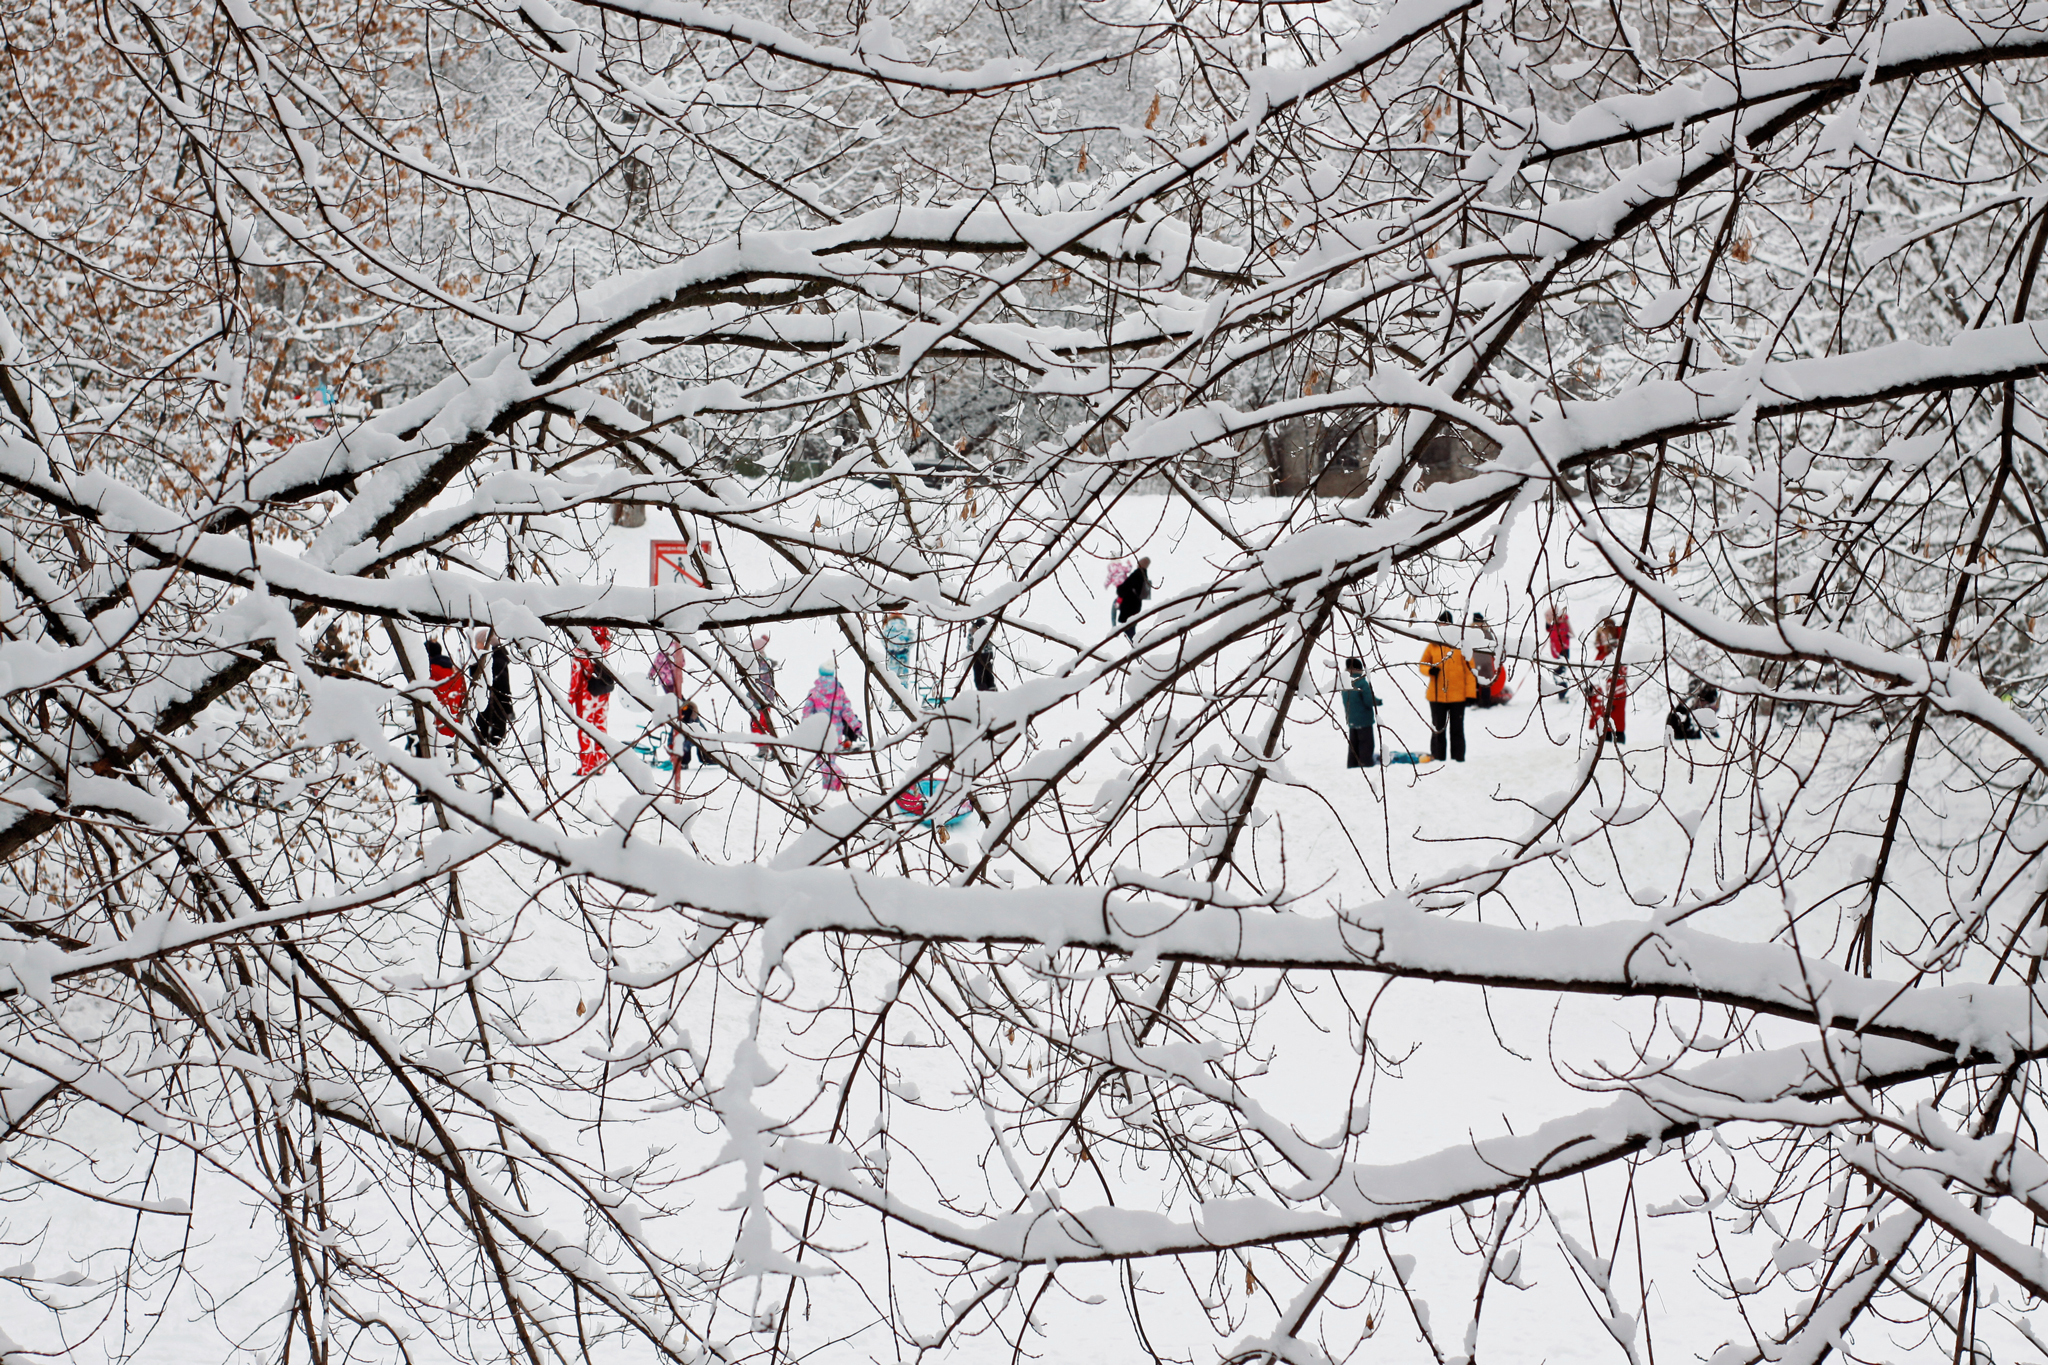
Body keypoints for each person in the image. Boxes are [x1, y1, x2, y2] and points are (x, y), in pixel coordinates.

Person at [1419, 610, 1478, 762]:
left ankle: (1458, 759)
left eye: (1446, 624)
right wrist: (1430, 670)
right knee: (1438, 729)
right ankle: (1438, 759)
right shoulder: (1432, 644)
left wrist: (1471, 694)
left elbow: (1470, 671)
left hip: (1458, 696)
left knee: (1457, 729)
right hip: (1437, 696)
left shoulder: (1461, 645)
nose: (1443, 627)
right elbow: (1422, 665)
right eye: (1441, 624)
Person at [801, 666, 861, 792]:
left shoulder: (814, 692)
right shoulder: (839, 691)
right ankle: (830, 788)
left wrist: (805, 728)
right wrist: (856, 726)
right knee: (829, 759)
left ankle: (841, 779)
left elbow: (807, 712)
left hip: (821, 731)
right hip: (836, 732)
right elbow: (847, 711)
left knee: (823, 761)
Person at [569, 627, 614, 776]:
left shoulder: (581, 643)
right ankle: (601, 764)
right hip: (602, 691)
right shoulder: (606, 639)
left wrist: (570, 698)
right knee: (601, 727)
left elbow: (576, 673)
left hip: (586, 693)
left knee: (585, 730)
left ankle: (587, 766)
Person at [470, 628, 514, 748]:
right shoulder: (495, 659)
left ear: (486, 643)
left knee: (486, 750)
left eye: (478, 642)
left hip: (491, 714)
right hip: (491, 713)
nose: (476, 646)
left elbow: (503, 687)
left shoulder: (495, 662)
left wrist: (508, 710)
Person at [1340, 657, 1382, 769]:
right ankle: (1366, 763)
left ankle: (1352, 764)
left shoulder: (1345, 683)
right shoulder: (1361, 683)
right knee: (1366, 744)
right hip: (1364, 720)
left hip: (1352, 719)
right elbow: (1369, 700)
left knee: (1353, 744)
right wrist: (1378, 702)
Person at [425, 637, 466, 737]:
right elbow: (464, 698)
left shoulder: (429, 672)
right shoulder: (457, 672)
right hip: (455, 727)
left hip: (434, 728)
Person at [1468, 612, 1506, 710]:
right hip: (1474, 663)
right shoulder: (1471, 633)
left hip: (1486, 663)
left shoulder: (1487, 633)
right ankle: (1475, 702)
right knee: (1474, 685)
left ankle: (1485, 702)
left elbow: (1494, 646)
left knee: (1485, 684)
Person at [744, 634, 778, 740]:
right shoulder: (763, 664)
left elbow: (761, 684)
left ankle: (765, 748)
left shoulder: (759, 665)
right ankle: (772, 747)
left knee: (759, 724)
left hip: (760, 700)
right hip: (764, 700)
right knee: (764, 724)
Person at [1115, 556, 1152, 640]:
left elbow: (1123, 588)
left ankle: (1136, 647)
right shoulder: (1144, 576)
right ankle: (1136, 646)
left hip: (1129, 605)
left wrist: (1119, 589)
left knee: (1128, 629)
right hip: (1136, 606)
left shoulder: (1137, 574)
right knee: (1130, 628)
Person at [1543, 602, 1572, 700]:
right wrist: (1549, 624)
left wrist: (1553, 626)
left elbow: (1557, 634)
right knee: (1555, 674)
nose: (1548, 621)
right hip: (1555, 654)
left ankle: (1563, 693)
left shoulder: (1562, 622)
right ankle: (1561, 693)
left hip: (1562, 653)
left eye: (1549, 618)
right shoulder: (1554, 625)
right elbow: (1548, 630)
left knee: (1560, 675)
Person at [881, 611, 915, 684]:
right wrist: (905, 649)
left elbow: (883, 641)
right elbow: (913, 639)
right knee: (903, 681)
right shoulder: (908, 630)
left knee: (892, 682)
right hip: (904, 658)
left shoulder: (886, 630)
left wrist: (891, 649)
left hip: (891, 658)